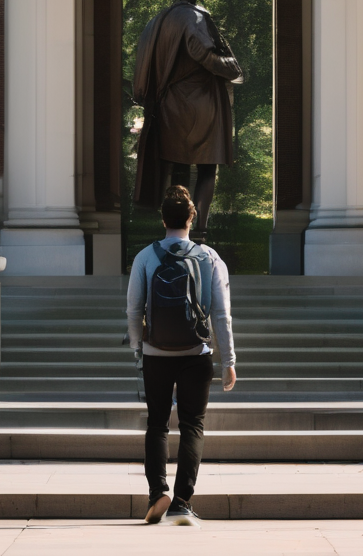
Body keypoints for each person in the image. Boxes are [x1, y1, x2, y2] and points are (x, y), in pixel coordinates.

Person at [127, 185, 236, 525]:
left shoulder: (145, 257)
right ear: (193, 217)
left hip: (156, 352)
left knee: (157, 424)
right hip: (196, 353)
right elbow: (221, 314)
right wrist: (229, 360)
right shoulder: (210, 258)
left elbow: (133, 310)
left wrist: (137, 347)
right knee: (192, 426)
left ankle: (157, 491)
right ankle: (182, 501)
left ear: (162, 219)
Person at [132, 0, 242, 239]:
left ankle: (175, 228)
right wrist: (231, 68)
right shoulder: (194, 17)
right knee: (207, 168)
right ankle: (200, 230)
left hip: (169, 107)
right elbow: (202, 52)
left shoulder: (158, 21)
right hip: (199, 104)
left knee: (177, 169)